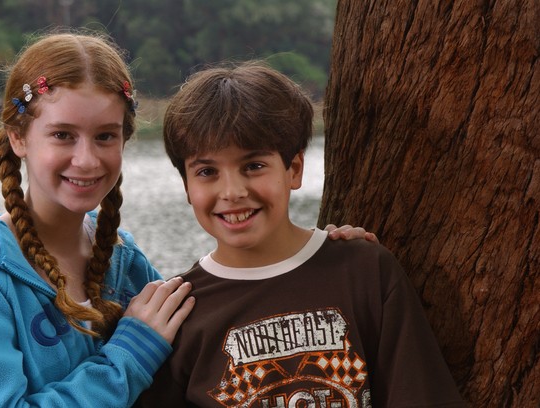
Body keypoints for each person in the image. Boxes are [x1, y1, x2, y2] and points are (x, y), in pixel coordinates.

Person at [0, 33, 371, 407]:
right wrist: (129, 353)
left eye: (105, 136)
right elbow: (141, 350)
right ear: (18, 139)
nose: (86, 159)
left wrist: (314, 260)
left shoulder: (122, 262)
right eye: (63, 136)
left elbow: (217, 333)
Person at [137, 62, 466, 407]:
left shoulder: (365, 271)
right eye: (207, 171)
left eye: (254, 166)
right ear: (187, 187)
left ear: (294, 169)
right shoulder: (179, 312)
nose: (232, 191)